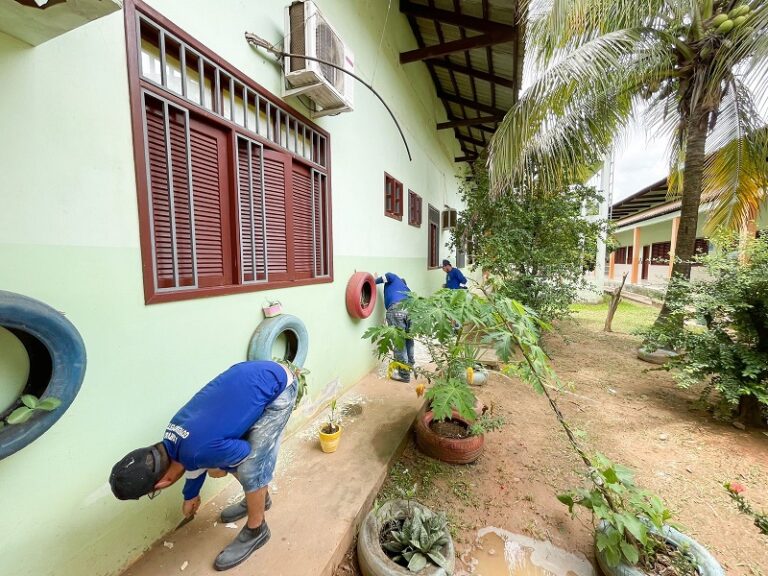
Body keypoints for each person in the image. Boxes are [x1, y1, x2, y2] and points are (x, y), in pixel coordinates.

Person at [109, 360, 298, 571]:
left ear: (162, 484)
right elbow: (191, 457)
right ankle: (259, 499)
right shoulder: (172, 434)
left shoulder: (197, 451)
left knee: (251, 468)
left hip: (280, 388)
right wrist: (191, 494)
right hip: (255, 375)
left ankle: (257, 529)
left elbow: (244, 453)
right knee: (223, 460)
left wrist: (220, 466)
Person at [374, 272, 414, 383]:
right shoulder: (407, 291)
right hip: (411, 312)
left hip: (396, 311)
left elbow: (388, 275)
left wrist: (373, 281)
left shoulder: (395, 279)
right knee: (409, 340)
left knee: (399, 343)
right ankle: (410, 366)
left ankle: (404, 375)